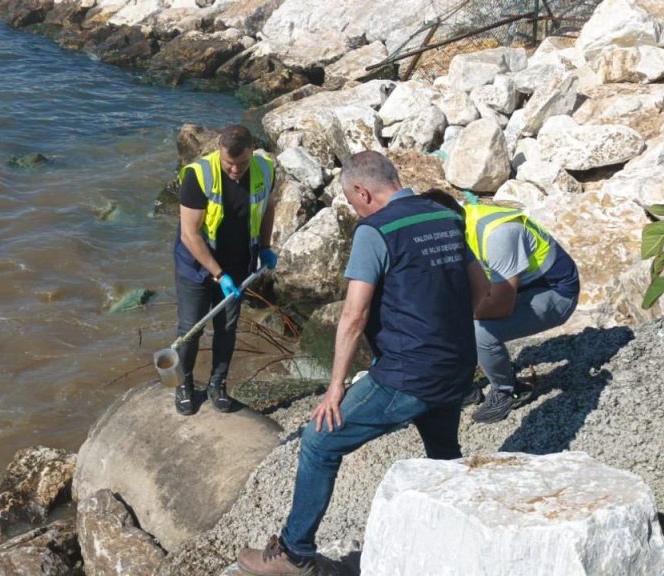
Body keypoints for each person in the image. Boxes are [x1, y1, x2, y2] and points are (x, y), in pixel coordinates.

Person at [236, 151, 489, 576]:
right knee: (444, 452)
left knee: (319, 441)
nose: (355, 210)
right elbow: (480, 290)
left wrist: (335, 387)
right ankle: (460, 537)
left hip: (407, 373)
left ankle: (295, 556)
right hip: (458, 364)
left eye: (353, 204)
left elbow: (353, 316)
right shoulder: (443, 215)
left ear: (362, 191)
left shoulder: (376, 231)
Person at [424, 192, 580, 424]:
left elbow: (502, 306)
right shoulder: (455, 229)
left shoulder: (497, 234)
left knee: (479, 330)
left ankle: (509, 389)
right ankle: (464, 385)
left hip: (554, 291)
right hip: (516, 288)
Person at [172, 124, 277, 416]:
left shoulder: (265, 169)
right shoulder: (198, 176)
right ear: (218, 151)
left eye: (241, 163)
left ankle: (218, 384)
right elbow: (189, 235)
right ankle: (184, 384)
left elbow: (268, 207)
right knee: (191, 328)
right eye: (228, 163)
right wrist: (218, 275)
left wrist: (266, 246)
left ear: (252, 153)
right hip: (196, 264)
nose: (234, 170)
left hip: (238, 262)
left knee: (227, 328)